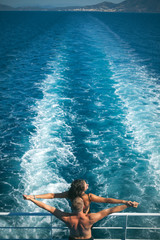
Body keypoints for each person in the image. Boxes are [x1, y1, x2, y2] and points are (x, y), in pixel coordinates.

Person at [23, 195, 139, 240]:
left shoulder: (66, 218)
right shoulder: (90, 218)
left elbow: (47, 207)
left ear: (71, 207)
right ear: (83, 206)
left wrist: (32, 198)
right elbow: (111, 210)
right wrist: (127, 204)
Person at [25, 179, 136, 213]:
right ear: (82, 189)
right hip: (86, 220)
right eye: (85, 184)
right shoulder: (89, 197)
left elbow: (52, 195)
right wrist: (124, 201)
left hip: (73, 218)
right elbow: (107, 200)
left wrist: (34, 197)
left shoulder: (70, 194)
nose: (87, 184)